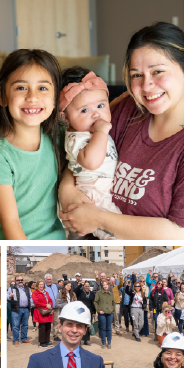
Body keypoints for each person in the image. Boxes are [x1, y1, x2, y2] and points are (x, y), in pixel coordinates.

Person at [59, 22, 184, 240]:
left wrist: (97, 219)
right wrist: (67, 190)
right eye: (136, 75)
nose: (146, 86)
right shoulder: (129, 110)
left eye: (158, 72)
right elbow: (85, 153)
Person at [0, 49, 66, 240]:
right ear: (2, 96)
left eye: (42, 88)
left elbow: (94, 114)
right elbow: (11, 225)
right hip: (15, 249)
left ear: (56, 98)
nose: (32, 97)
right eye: (21, 88)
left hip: (54, 243)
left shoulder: (59, 137)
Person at [59, 67, 121, 240]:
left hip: (102, 189)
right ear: (66, 118)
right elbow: (92, 162)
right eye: (84, 110)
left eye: (101, 106)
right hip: (93, 195)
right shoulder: (75, 139)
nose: (96, 114)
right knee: (115, 232)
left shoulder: (89, 129)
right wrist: (101, 133)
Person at [8, 275, 33, 345]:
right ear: (16, 281)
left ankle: (24, 338)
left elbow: (31, 297)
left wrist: (30, 306)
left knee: (25, 325)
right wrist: (9, 296)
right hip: (16, 309)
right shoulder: (12, 288)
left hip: (26, 309)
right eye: (18, 280)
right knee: (15, 326)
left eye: (21, 280)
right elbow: (5, 296)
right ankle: (16, 340)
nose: (20, 281)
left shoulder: (27, 288)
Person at [33, 281, 55, 348]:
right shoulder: (35, 293)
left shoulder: (46, 292)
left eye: (42, 284)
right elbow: (36, 303)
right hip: (41, 312)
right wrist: (46, 305)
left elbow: (50, 300)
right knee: (42, 327)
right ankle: (42, 342)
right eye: (40, 284)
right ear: (37, 285)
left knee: (48, 327)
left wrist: (50, 304)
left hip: (47, 312)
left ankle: (47, 340)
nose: (41, 286)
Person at [94, 281, 116, 349]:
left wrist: (112, 310)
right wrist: (98, 310)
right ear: (102, 286)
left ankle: (109, 342)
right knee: (102, 328)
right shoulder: (99, 293)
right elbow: (95, 302)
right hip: (102, 313)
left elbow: (113, 303)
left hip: (109, 313)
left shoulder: (111, 294)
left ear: (108, 286)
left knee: (109, 328)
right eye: (104, 284)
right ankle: (103, 342)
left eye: (106, 284)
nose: (105, 285)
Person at [78, 281, 96, 346]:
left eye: (88, 286)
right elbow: (78, 302)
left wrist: (94, 312)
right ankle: (79, 341)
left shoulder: (92, 294)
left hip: (89, 311)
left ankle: (86, 340)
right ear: (84, 286)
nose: (87, 287)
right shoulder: (81, 293)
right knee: (80, 326)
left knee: (87, 326)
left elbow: (94, 303)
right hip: (81, 311)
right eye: (85, 286)